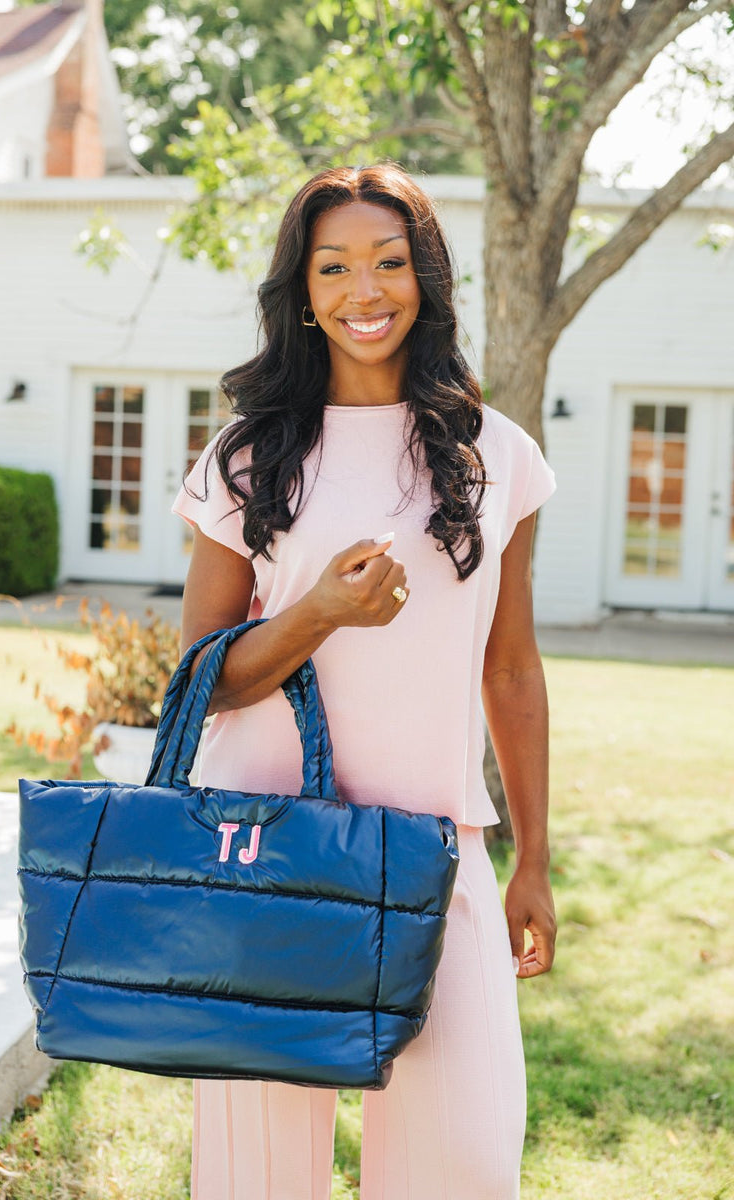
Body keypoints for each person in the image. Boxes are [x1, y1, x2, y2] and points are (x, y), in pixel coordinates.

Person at [172, 162, 557, 1200]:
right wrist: (315, 615)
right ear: (300, 292)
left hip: (437, 847)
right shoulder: (248, 458)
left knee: (464, 1165)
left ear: (424, 279)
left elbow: (510, 667)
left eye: (388, 263)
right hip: (266, 846)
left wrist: (531, 860)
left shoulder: (493, 456)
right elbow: (199, 682)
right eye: (332, 267)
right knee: (260, 1177)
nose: (363, 291)